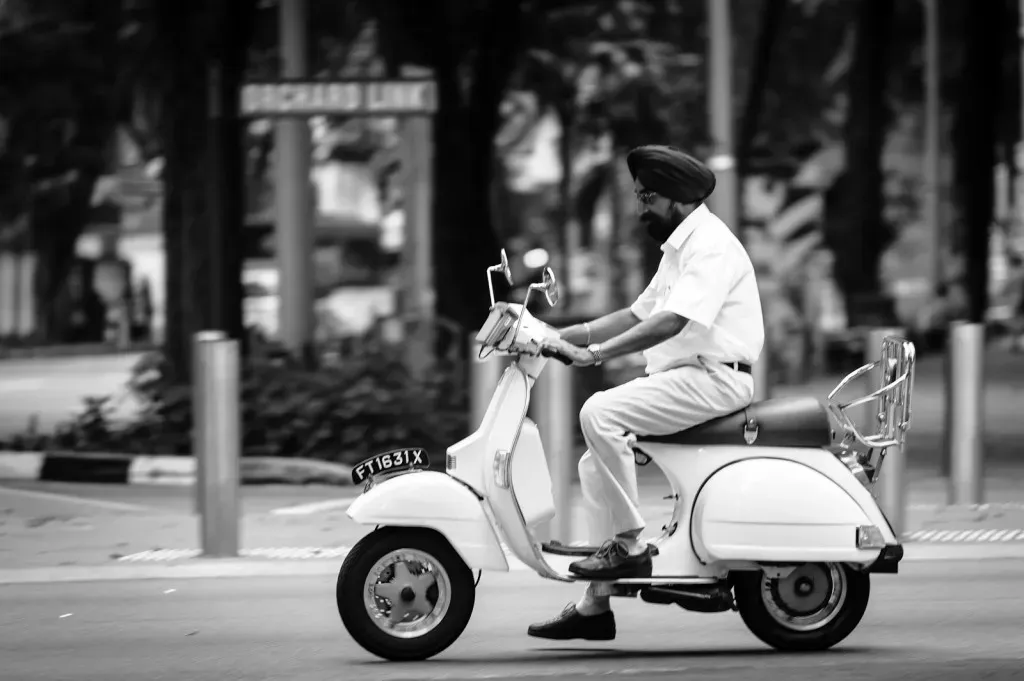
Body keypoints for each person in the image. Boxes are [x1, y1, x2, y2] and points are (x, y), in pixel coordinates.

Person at [528, 145, 765, 641]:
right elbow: (638, 314)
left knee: (600, 411)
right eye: (639, 196)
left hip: (716, 378)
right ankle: (596, 608)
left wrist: (599, 355)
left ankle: (630, 544)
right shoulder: (681, 246)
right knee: (593, 462)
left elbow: (672, 321)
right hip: (690, 375)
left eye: (646, 197)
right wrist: (557, 335)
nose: (641, 209)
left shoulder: (710, 247)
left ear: (676, 198)